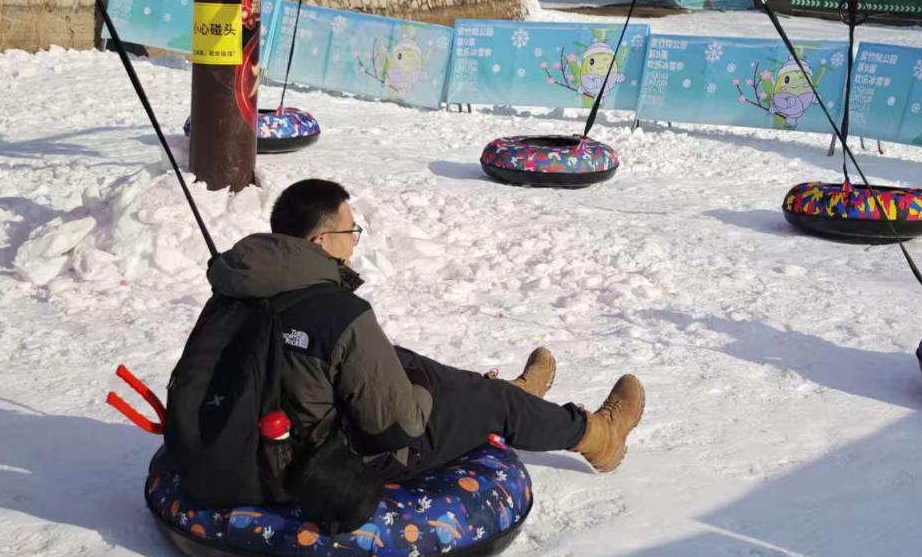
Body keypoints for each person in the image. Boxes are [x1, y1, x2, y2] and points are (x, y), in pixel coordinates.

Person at [201, 178, 644, 491]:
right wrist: (425, 393)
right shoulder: (338, 312)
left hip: (260, 437)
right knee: (482, 401)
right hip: (332, 460)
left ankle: (515, 396)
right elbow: (400, 426)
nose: (354, 241)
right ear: (319, 243)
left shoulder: (238, 288)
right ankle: (597, 435)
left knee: (400, 358)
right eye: (349, 231)